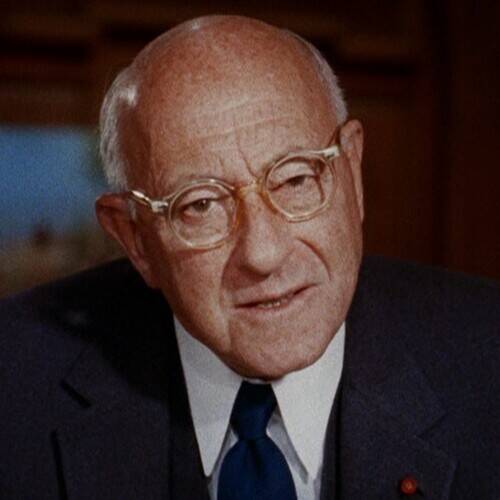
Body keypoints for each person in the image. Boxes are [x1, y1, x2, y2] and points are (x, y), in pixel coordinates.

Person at [1, 15, 499, 500]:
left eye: (295, 179)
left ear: (352, 170)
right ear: (134, 238)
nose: (263, 254)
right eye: (200, 205)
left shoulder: (488, 361)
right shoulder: (14, 387)